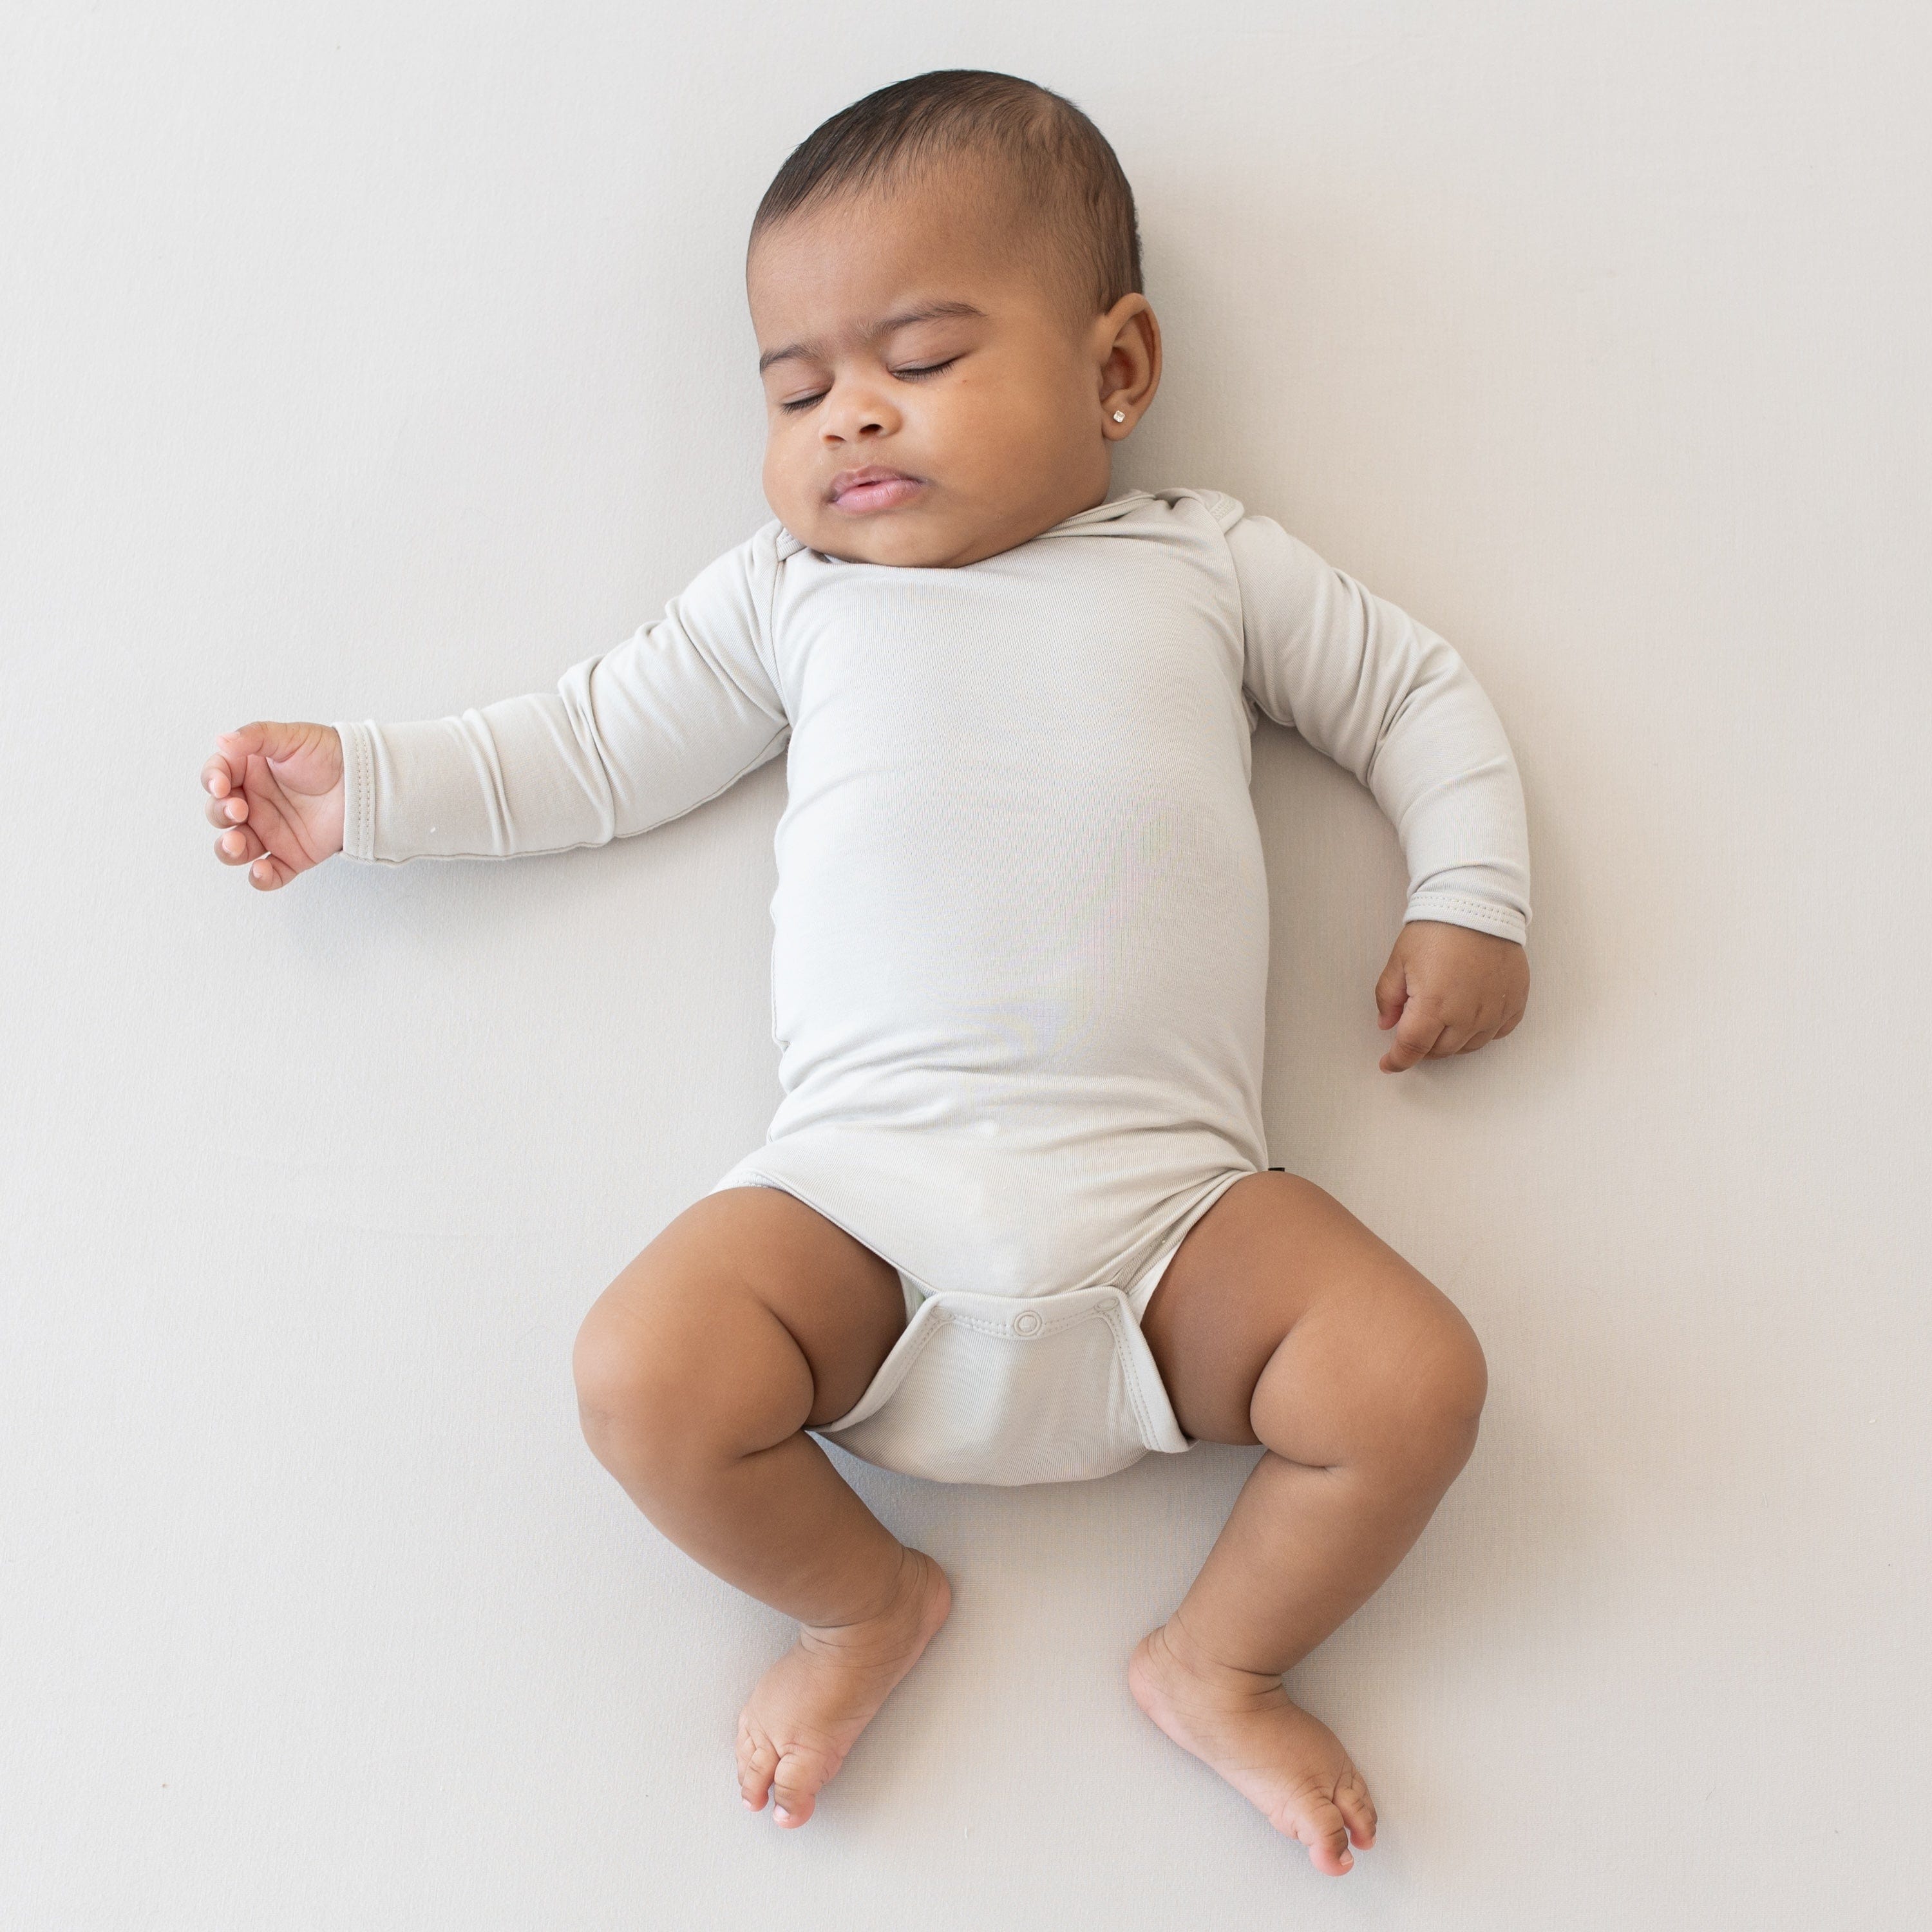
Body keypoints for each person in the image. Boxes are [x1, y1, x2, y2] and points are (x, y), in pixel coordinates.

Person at [199, 70, 1530, 1877]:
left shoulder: (1208, 564)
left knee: (1412, 1384)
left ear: (1116, 370)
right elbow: (593, 747)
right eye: (799, 387)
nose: (851, 419)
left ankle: (1220, 1659)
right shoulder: (788, 596)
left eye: (919, 357)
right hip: (862, 1207)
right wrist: (363, 786)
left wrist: (1471, 897)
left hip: (1177, 1217)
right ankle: (858, 1610)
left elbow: (1413, 696)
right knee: (642, 1375)